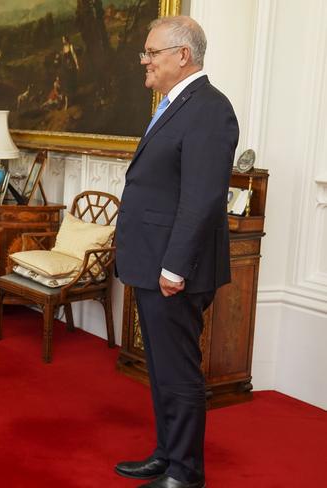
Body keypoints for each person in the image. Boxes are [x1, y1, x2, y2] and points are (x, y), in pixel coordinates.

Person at [114, 16, 238, 488]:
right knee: (162, 369)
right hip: (152, 261)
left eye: (151, 52)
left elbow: (202, 196)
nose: (144, 60)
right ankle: (167, 455)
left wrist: (173, 267)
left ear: (182, 55)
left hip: (173, 267)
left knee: (179, 372)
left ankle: (186, 475)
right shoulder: (174, 104)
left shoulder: (210, 108)